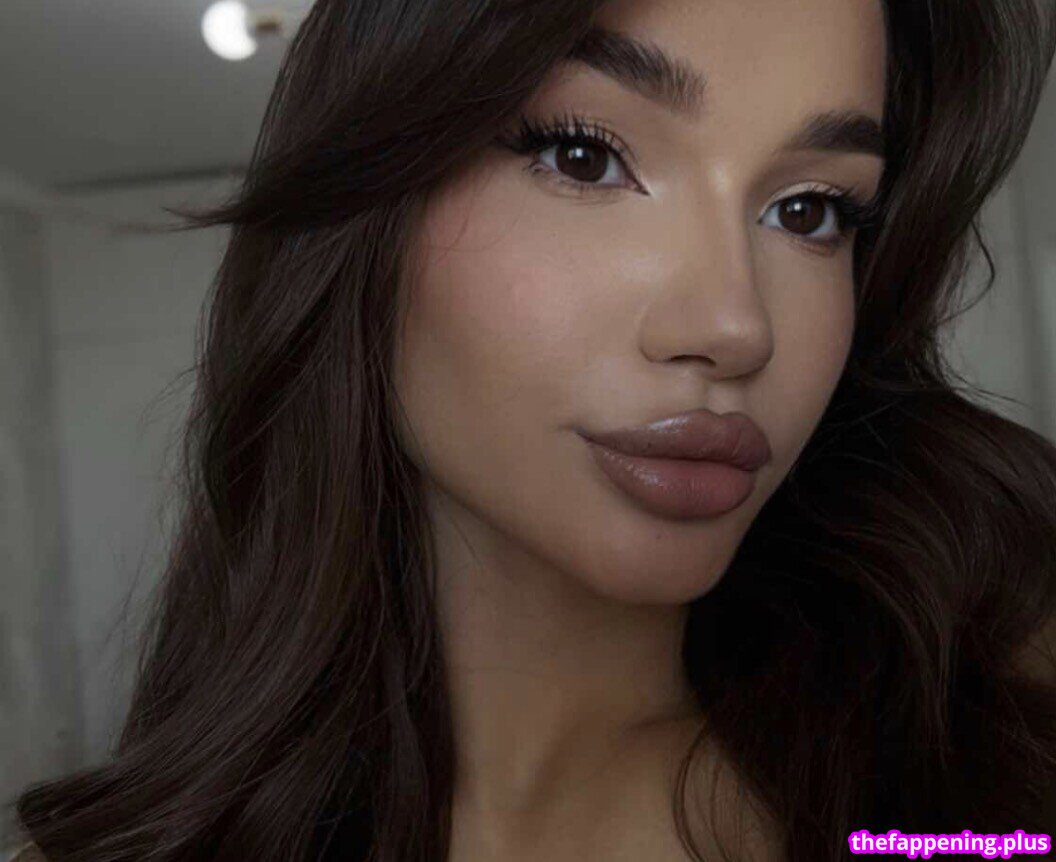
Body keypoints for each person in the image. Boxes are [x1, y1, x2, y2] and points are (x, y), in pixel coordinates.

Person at [10, 0, 1056, 859]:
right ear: (369, 215)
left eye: (811, 210)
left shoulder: (975, 801)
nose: (734, 325)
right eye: (584, 156)